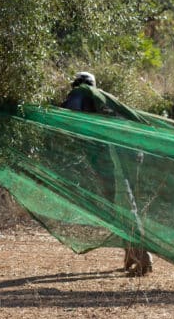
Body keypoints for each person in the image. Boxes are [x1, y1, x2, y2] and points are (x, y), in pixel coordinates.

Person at [61, 71, 153, 276]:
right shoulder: (106, 99)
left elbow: (66, 115)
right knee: (124, 206)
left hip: (110, 162)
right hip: (128, 157)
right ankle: (131, 251)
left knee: (121, 207)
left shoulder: (80, 94)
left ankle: (141, 255)